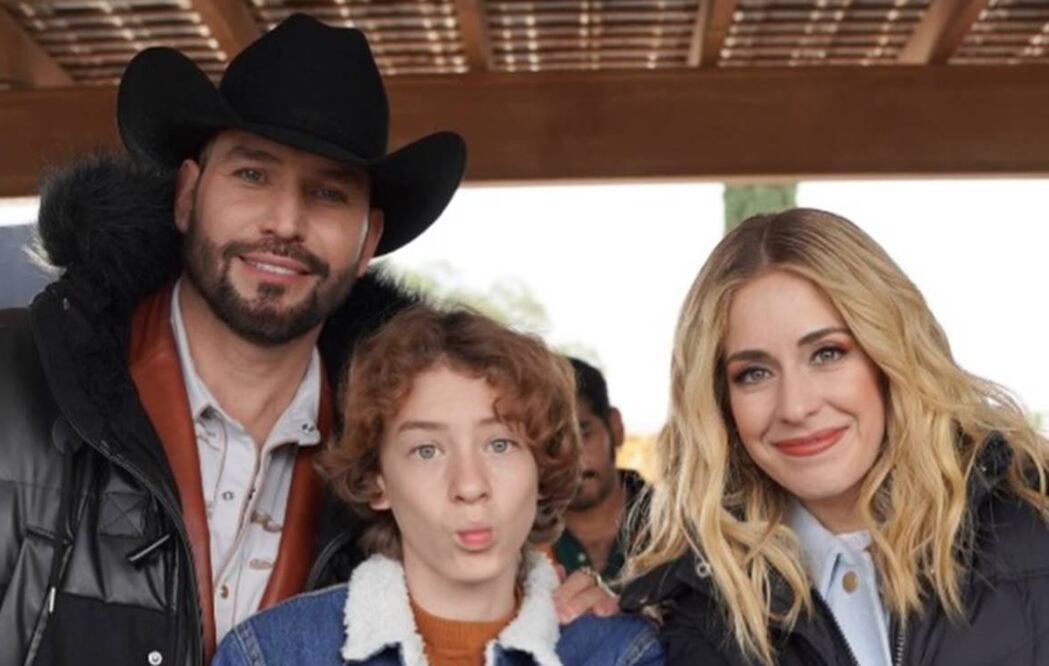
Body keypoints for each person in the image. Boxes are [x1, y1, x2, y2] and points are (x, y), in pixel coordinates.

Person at [0, 14, 467, 665]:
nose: (285, 222)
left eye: (327, 193)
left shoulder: (407, 468)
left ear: (368, 240)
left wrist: (560, 602)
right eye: (252, 175)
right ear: (186, 195)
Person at [621, 208, 1049, 665]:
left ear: (890, 355)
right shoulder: (687, 612)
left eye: (827, 353)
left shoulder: (1034, 515)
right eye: (754, 373)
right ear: (721, 401)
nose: (796, 407)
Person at [212, 305, 664, 666]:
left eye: (500, 444)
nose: (469, 486)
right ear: (377, 480)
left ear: (541, 469)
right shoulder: (270, 654)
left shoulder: (621, 654)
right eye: (427, 450)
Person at [553, 357, 647, 586]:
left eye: (581, 436)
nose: (570, 460)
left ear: (615, 427)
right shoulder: (518, 547)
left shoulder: (681, 527)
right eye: (550, 444)